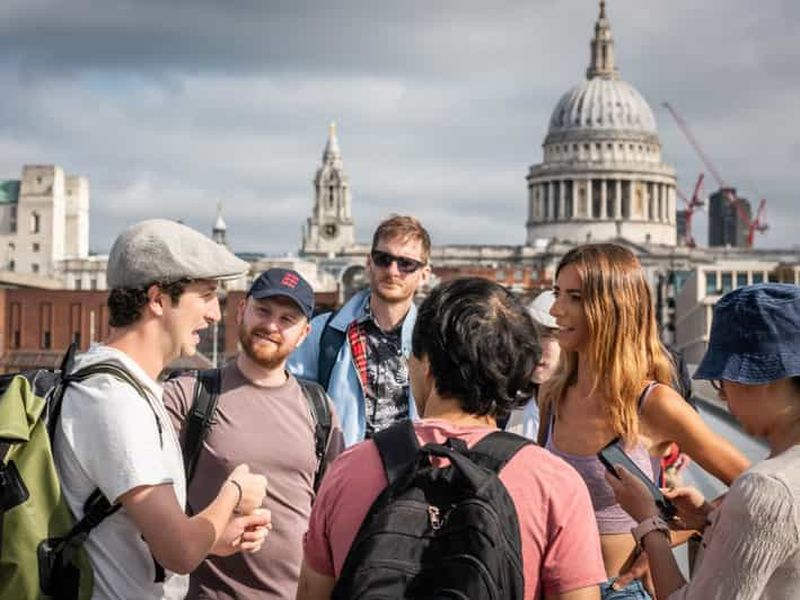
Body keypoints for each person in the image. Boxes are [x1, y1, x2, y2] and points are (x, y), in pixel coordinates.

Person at [297, 278, 607, 600]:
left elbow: (311, 592)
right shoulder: (554, 485)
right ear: (516, 369)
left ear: (426, 364)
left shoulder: (351, 468)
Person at [54, 219, 269, 600]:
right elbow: (179, 551)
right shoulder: (114, 399)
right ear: (156, 299)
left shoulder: (126, 387)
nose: (215, 314)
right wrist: (233, 492)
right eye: (205, 295)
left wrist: (214, 535)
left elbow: (143, 538)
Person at [539, 243, 750, 599]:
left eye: (574, 297)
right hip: (546, 588)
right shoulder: (552, 395)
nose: (556, 310)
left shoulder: (653, 403)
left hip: (618, 589)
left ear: (614, 308)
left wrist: (662, 541)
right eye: (557, 293)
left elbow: (755, 485)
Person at [609, 283, 800, 599]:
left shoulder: (765, 490)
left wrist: (649, 525)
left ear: (764, 379)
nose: (723, 396)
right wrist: (712, 520)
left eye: (722, 381)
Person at [163, 268, 344, 599]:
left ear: (304, 333)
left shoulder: (320, 409)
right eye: (264, 311)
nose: (272, 326)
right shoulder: (188, 396)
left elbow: (331, 519)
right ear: (242, 310)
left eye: (287, 319)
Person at [289, 215, 431, 446]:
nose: (393, 271)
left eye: (406, 264)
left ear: (424, 274)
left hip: (413, 477)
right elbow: (290, 408)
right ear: (368, 263)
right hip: (342, 475)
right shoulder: (322, 332)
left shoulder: (434, 340)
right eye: (383, 259)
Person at [504, 290, 561, 439]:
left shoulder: (587, 418)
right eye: (529, 335)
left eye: (547, 335)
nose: (534, 346)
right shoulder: (505, 409)